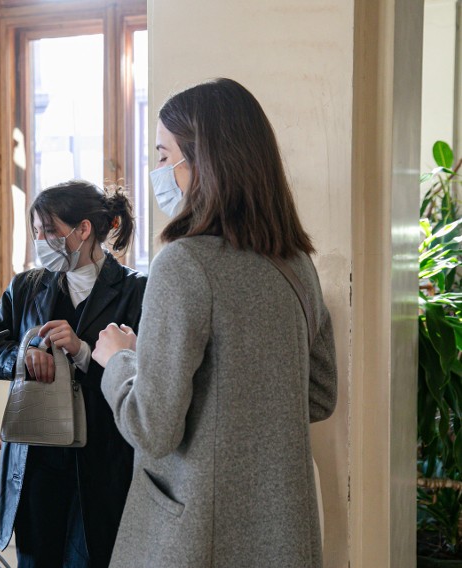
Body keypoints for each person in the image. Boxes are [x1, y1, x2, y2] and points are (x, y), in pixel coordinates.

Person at [92, 78, 338, 568]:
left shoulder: (183, 264)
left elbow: (152, 427)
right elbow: (319, 393)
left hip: (196, 535)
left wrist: (119, 359)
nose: (158, 171)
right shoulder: (296, 262)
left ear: (201, 163)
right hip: (281, 529)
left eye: (165, 156)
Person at [0, 180, 147, 568]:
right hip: (37, 462)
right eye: (35, 233)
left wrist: (84, 354)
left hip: (104, 463)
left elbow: (150, 378)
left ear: (83, 230)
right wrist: (24, 354)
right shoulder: (27, 287)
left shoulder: (139, 291)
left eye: (48, 232)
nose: (40, 243)